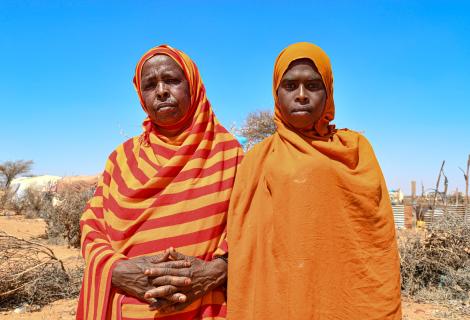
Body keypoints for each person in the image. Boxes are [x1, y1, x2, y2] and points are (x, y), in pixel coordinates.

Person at [227, 42, 402, 319]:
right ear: (276, 92)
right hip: (278, 302)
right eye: (289, 86)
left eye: (312, 85)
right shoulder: (257, 160)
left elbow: (375, 243)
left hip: (344, 303)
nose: (301, 96)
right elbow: (244, 247)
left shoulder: (354, 151)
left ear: (328, 91)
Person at [76, 45, 243, 319]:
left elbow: (252, 228)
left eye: (172, 80)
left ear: (193, 86)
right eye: (150, 84)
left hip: (207, 309)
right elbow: (92, 226)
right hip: (130, 309)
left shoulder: (228, 153)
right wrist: (118, 270)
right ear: (141, 96)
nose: (162, 91)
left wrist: (215, 271)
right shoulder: (121, 160)